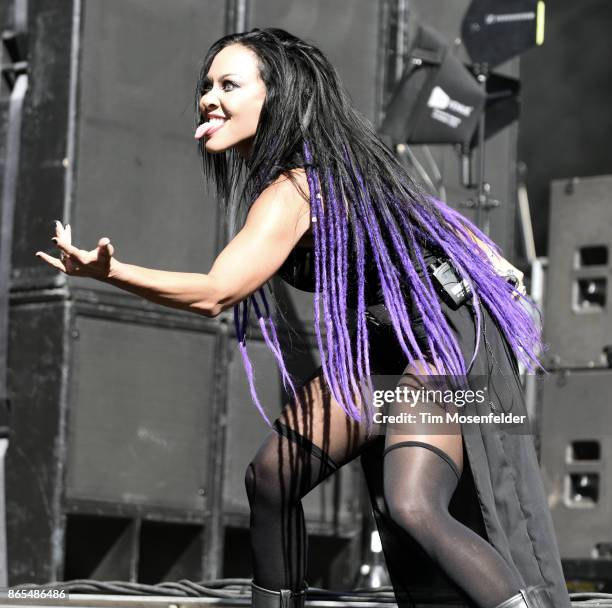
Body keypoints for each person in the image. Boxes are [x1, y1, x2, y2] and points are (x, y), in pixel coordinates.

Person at [36, 28, 570, 608]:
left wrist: (109, 273)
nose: (208, 98)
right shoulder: (298, 184)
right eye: (206, 85)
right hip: (388, 352)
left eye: (229, 85)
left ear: (277, 98)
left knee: (413, 504)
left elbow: (217, 292)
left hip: (451, 348)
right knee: (272, 477)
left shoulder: (297, 188)